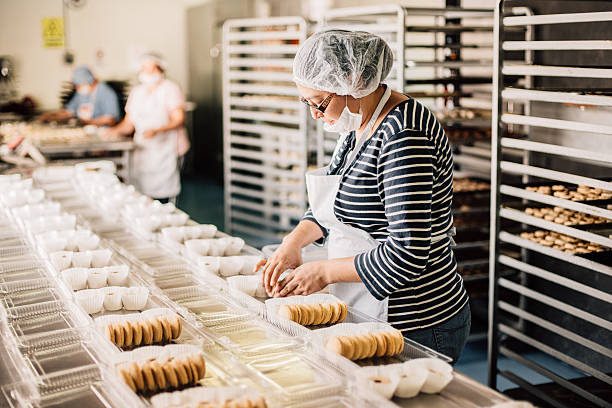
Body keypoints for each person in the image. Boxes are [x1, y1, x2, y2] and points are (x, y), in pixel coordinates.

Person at [258, 30, 470, 363]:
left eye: (319, 103)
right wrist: (293, 243)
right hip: (370, 309)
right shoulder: (359, 123)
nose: (315, 114)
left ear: (353, 81)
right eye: (307, 103)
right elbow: (335, 208)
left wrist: (324, 272)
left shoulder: (403, 135)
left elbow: (408, 253)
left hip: (416, 322)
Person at [104, 52, 189, 203]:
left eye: (150, 68)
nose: (146, 72)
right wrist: (113, 131)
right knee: (141, 194)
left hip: (166, 151)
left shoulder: (170, 88)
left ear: (160, 69)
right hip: (142, 150)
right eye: (143, 68)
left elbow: (179, 119)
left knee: (163, 194)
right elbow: (128, 124)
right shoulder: (137, 92)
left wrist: (157, 130)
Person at [39, 65, 120, 126]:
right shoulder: (81, 94)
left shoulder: (106, 92)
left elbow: (110, 119)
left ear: (88, 81)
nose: (77, 88)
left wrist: (89, 123)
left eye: (79, 85)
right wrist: (51, 116)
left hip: (104, 133)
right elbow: (69, 112)